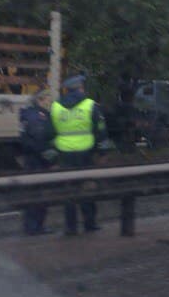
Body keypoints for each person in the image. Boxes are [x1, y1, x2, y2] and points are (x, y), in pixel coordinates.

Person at [51, 75, 108, 235]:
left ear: (67, 90)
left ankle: (70, 227)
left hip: (64, 156)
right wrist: (102, 153)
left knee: (69, 192)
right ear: (81, 88)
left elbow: (49, 133)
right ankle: (89, 224)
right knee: (87, 189)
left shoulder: (55, 107)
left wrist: (53, 158)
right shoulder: (90, 106)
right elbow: (101, 131)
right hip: (85, 155)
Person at [18, 89, 55, 235]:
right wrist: (51, 158)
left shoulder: (26, 114)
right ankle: (36, 226)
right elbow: (40, 139)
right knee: (40, 194)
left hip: (30, 159)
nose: (49, 102)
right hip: (38, 160)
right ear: (40, 100)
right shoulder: (40, 116)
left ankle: (30, 225)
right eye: (48, 99)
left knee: (31, 192)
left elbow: (24, 137)